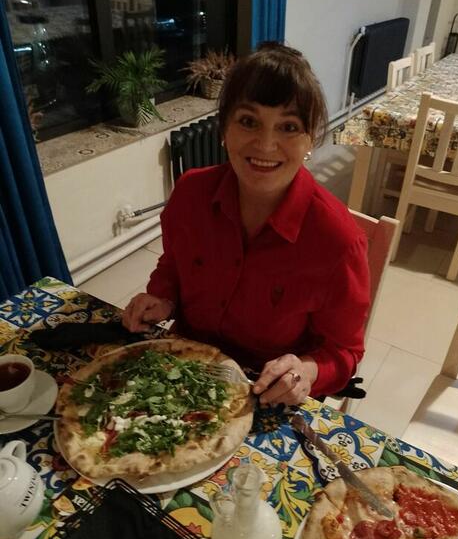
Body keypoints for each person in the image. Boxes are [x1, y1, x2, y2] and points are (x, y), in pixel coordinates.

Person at [123, 42, 370, 407]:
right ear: (224, 128)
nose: (266, 145)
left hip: (264, 394)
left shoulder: (338, 241)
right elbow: (173, 265)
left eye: (288, 127)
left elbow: (343, 352)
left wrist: (305, 372)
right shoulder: (190, 193)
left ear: (310, 139)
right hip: (183, 372)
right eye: (248, 121)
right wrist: (162, 299)